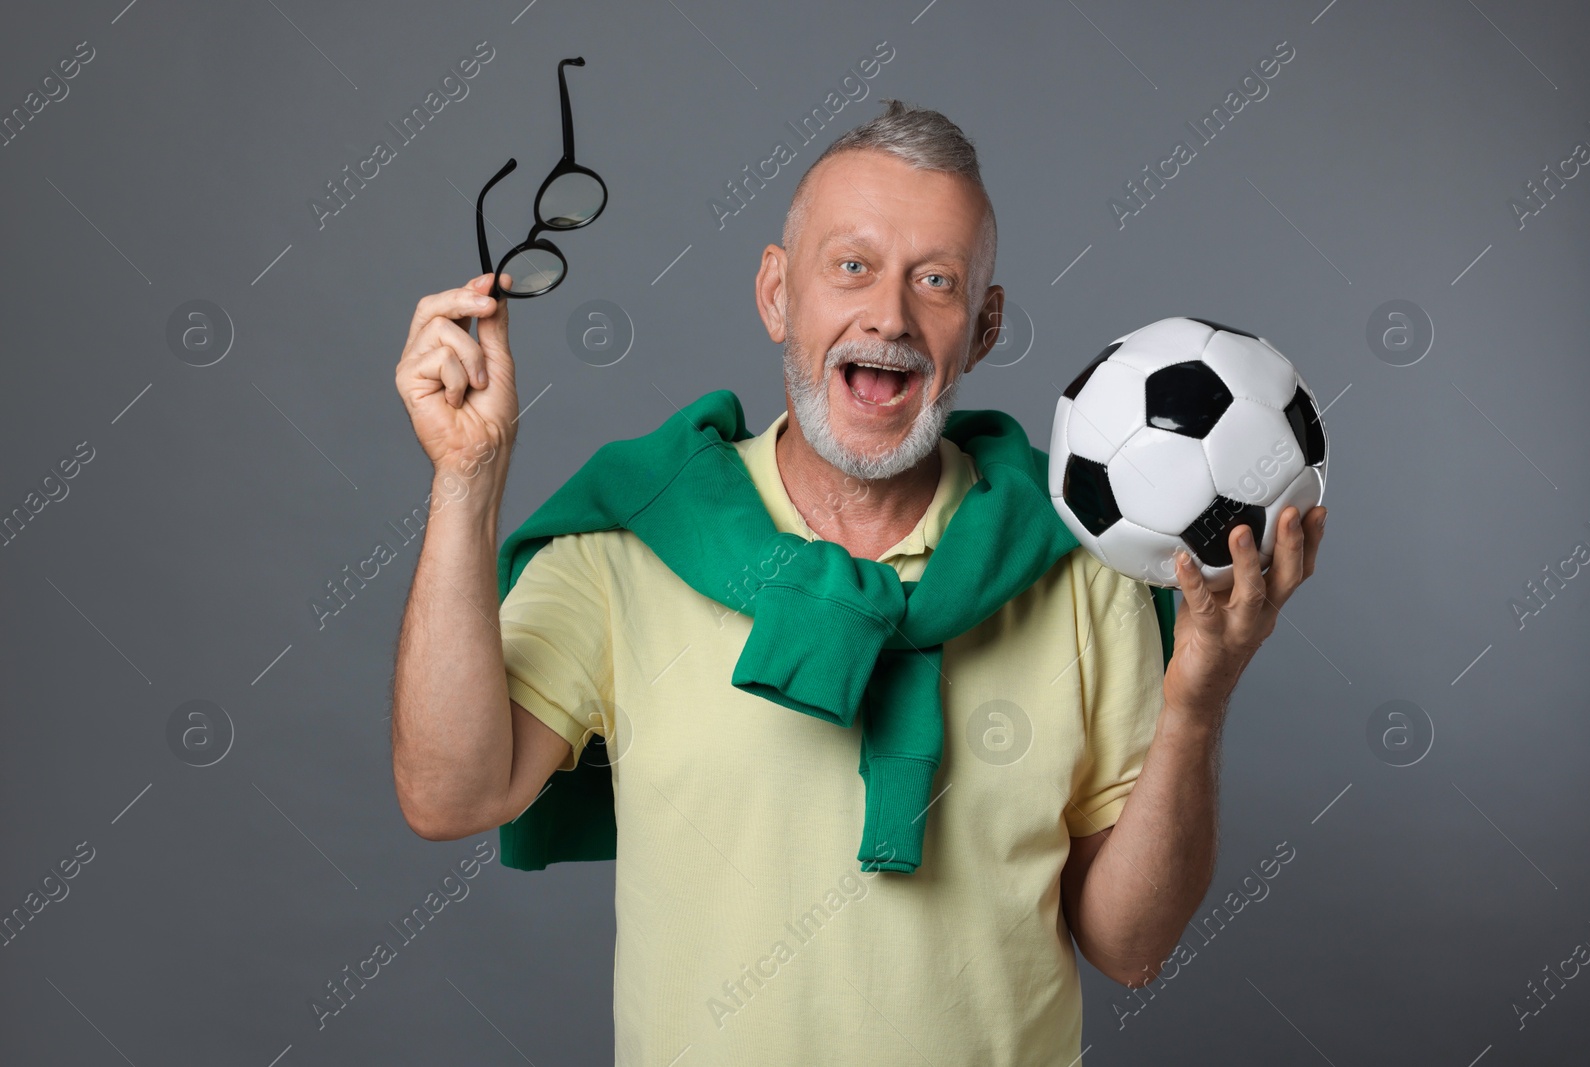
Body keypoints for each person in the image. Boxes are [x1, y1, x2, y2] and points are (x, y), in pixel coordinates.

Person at [389, 100, 1327, 1065]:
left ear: (985, 326)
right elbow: (448, 796)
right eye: (852, 266)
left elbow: (1130, 946)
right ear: (775, 294)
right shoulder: (635, 546)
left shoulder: (1078, 570)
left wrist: (1199, 701)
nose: (890, 315)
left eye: (937, 280)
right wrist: (468, 479)